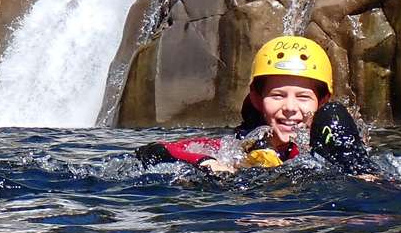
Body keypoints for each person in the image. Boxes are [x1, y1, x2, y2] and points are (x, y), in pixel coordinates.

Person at [134, 36, 376, 175]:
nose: (290, 108)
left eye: (303, 97)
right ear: (257, 99)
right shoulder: (235, 147)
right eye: (278, 95)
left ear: (322, 101)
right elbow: (154, 151)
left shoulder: (328, 145)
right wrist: (208, 164)